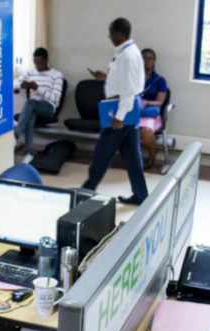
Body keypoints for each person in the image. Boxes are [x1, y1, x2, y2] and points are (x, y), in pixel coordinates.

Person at [82, 18, 148, 206]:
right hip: (128, 106)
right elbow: (125, 82)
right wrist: (106, 77)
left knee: (102, 153)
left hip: (122, 108)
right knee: (132, 156)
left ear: (119, 34)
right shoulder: (129, 51)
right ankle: (141, 195)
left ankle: (86, 191)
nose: (109, 37)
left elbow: (128, 89)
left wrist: (119, 117)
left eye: (111, 33)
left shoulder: (127, 55)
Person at [13, 48, 64, 163]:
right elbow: (14, 84)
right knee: (31, 115)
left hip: (48, 108)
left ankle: (15, 136)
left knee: (30, 103)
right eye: (35, 63)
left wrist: (37, 88)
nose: (37, 66)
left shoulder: (56, 75)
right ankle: (29, 153)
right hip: (33, 107)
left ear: (46, 60)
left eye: (39, 63)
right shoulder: (31, 73)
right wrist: (21, 85)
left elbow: (55, 98)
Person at [138, 48, 167, 169]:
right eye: (143, 58)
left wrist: (146, 103)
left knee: (145, 130)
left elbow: (159, 102)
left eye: (150, 58)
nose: (146, 61)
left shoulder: (160, 81)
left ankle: (152, 154)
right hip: (133, 111)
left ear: (154, 62)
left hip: (149, 114)